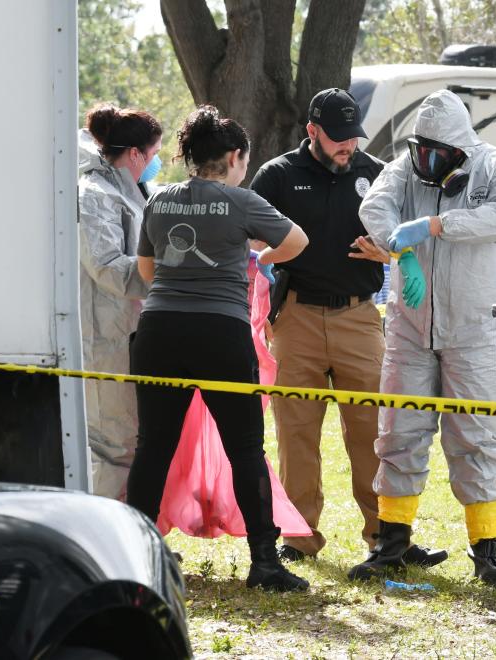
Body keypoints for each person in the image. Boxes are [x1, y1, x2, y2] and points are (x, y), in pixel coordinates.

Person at [249, 88, 446, 568]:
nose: (348, 147)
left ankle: (386, 537)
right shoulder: (276, 175)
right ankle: (298, 537)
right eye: (337, 138)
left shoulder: (375, 173)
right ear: (311, 130)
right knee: (296, 432)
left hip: (360, 317)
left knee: (373, 431)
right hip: (295, 317)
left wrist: (391, 253)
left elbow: (404, 237)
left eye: (352, 137)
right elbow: (251, 239)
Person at [128, 105, 310, 592]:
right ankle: (264, 563)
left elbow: (147, 270)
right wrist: (257, 257)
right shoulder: (240, 201)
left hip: (159, 330)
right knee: (245, 448)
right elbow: (297, 240)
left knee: (152, 448)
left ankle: (135, 555)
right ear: (234, 157)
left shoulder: (160, 199)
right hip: (220, 334)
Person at [352, 89, 496, 585]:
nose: (426, 161)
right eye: (420, 150)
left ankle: (487, 550)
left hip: (474, 330)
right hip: (409, 327)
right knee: (398, 433)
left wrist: (435, 225)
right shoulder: (405, 168)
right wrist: (399, 249)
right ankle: (391, 545)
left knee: (476, 436)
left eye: (437, 154)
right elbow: (376, 206)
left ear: (460, 149)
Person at [78, 103, 163, 499]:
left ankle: (131, 533)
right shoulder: (95, 195)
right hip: (104, 339)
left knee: (130, 442)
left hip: (128, 335)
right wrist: (169, 271)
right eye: (154, 153)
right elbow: (108, 266)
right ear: (135, 154)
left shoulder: (127, 191)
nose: (156, 162)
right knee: (113, 447)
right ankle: (107, 543)